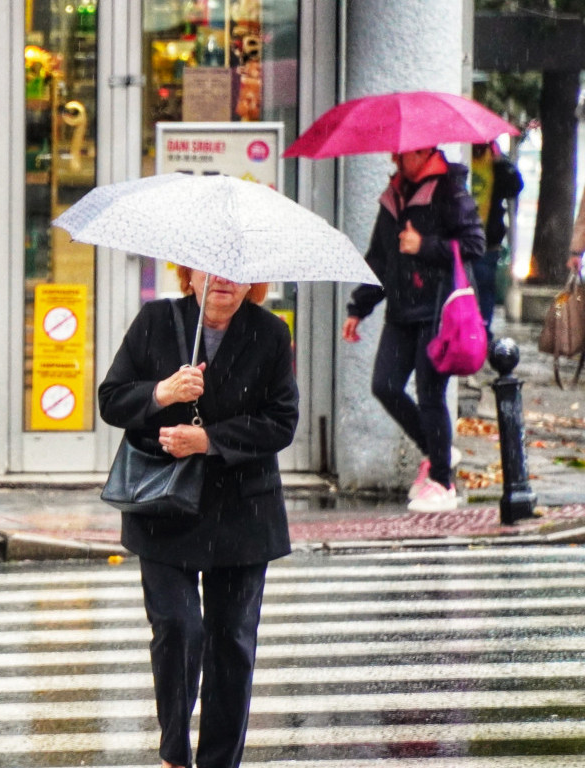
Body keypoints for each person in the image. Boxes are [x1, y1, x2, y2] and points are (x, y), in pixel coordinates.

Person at [99, 268, 298, 768]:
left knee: (231, 642)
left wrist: (209, 441)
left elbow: (282, 421)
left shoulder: (270, 332)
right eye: (211, 271)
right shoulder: (157, 321)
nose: (223, 282)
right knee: (177, 628)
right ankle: (174, 752)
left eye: (237, 274)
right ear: (189, 276)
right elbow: (111, 399)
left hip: (243, 512)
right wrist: (162, 394)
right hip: (165, 507)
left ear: (253, 282)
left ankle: (218, 763)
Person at [342, 146, 486, 512]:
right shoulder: (394, 195)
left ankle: (442, 482)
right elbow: (379, 256)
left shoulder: (450, 192)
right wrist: (359, 307)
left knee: (430, 394)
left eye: (401, 154)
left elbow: (474, 244)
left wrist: (425, 245)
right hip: (401, 310)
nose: (394, 159)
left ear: (422, 153)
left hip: (439, 310)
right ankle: (438, 452)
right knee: (385, 385)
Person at [469, 142, 523, 336]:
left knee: (483, 287)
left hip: (487, 242)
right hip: (464, 240)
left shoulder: (496, 167)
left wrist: (501, 161)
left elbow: (515, 186)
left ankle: (481, 331)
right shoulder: (463, 161)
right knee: (468, 287)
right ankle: (471, 330)